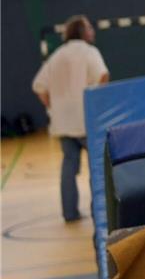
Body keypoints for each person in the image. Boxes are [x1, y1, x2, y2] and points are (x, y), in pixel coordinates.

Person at [32, 15, 110, 222]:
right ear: (82, 32)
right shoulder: (89, 52)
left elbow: (39, 86)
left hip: (62, 122)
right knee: (97, 167)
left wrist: (52, 105)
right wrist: (98, 100)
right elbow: (103, 75)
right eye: (90, 27)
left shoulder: (56, 55)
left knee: (68, 166)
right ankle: (99, 211)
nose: (93, 31)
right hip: (86, 120)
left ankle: (69, 213)